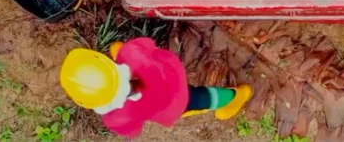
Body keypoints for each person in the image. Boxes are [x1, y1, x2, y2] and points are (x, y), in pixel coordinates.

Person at [59, 39, 252, 138]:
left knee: (202, 100)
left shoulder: (117, 118)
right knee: (201, 95)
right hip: (172, 76)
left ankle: (236, 97)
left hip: (174, 103)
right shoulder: (131, 54)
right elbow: (146, 45)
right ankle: (236, 95)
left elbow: (132, 131)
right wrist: (122, 52)